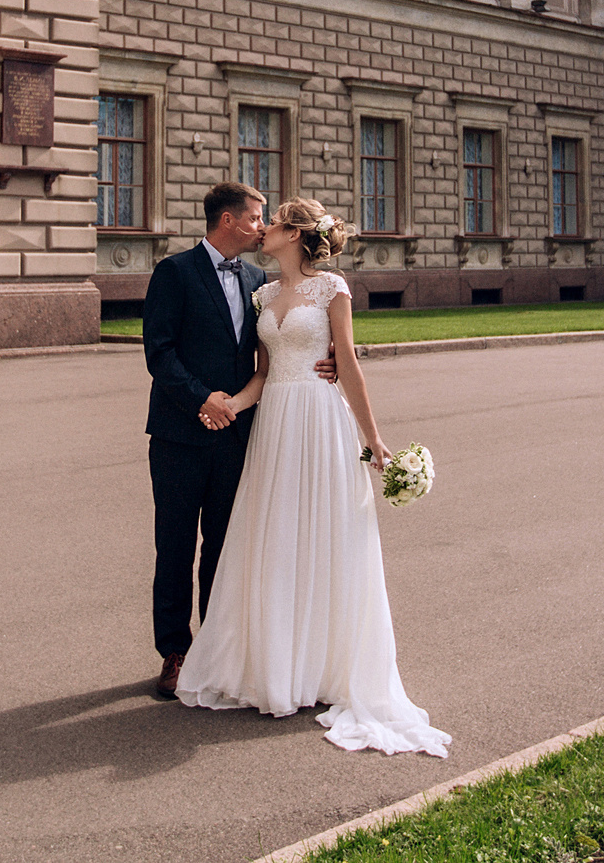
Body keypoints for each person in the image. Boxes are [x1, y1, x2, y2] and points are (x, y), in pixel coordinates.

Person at [173, 196, 449, 757]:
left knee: (326, 537)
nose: (264, 229)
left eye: (273, 222)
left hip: (321, 421)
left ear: (296, 234)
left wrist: (374, 439)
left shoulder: (332, 289)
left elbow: (347, 363)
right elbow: (264, 373)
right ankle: (279, 665)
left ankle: (325, 667)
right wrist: (229, 404)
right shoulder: (262, 294)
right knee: (276, 539)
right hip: (275, 424)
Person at [143, 182, 336, 699]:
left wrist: (334, 356)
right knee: (175, 546)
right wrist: (200, 399)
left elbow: (279, 345)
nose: (262, 226)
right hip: (179, 435)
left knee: (226, 546)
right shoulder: (174, 272)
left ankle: (216, 648)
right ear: (227, 220)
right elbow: (159, 353)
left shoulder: (257, 281)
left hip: (238, 434)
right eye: (255, 218)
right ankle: (174, 652)